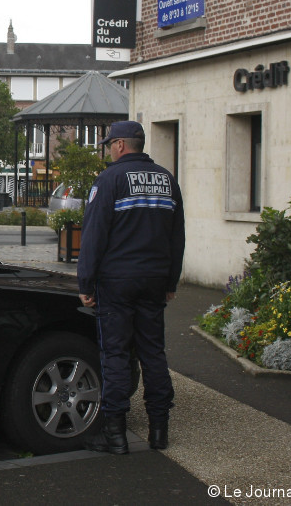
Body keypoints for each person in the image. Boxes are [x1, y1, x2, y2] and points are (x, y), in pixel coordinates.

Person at [77, 120, 185, 454]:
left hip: (117, 282)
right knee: (153, 352)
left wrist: (86, 281)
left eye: (110, 144)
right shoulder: (167, 180)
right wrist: (170, 281)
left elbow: (94, 235)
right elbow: (177, 237)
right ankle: (158, 432)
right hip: (154, 280)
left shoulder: (109, 180)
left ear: (121, 145)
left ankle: (115, 435)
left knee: (116, 355)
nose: (109, 149)